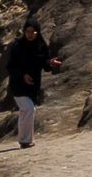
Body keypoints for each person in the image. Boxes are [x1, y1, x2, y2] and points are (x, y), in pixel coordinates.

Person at [6, 18, 61, 148]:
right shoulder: (17, 46)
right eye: (28, 31)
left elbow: (44, 63)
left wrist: (50, 63)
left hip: (33, 84)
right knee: (28, 108)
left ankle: (25, 139)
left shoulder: (41, 46)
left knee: (26, 111)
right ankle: (25, 140)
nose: (30, 34)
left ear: (38, 32)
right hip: (18, 84)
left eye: (33, 32)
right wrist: (23, 75)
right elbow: (10, 67)